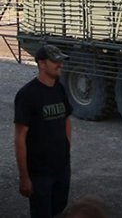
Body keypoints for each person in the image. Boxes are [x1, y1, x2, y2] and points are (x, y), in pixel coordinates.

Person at [14, 44, 72, 218]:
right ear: (41, 64)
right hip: (39, 173)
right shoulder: (27, 95)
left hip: (61, 169)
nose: (60, 65)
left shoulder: (59, 88)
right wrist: (24, 177)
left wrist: (66, 151)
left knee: (59, 211)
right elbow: (19, 138)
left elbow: (66, 121)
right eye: (55, 61)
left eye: (61, 61)